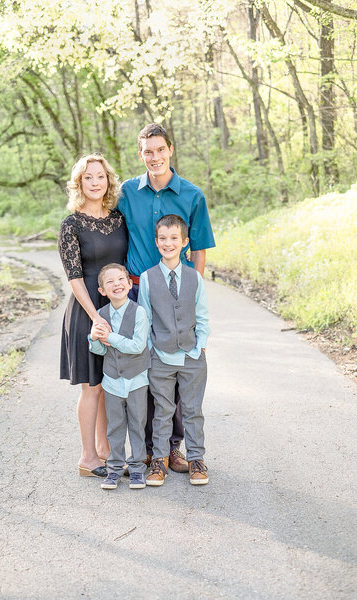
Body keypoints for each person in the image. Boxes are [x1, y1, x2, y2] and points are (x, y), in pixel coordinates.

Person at [118, 123, 215, 473]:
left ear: (170, 149)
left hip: (176, 295)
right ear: (140, 154)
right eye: (148, 151)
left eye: (160, 149)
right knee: (141, 372)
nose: (154, 157)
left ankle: (172, 448)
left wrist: (190, 294)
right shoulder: (127, 192)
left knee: (175, 370)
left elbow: (200, 249)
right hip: (135, 292)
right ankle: (146, 449)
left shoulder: (192, 195)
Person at [58, 154, 127, 478]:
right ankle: (88, 457)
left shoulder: (118, 219)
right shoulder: (71, 224)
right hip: (87, 313)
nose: (96, 182)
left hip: (116, 310)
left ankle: (106, 451)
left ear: (108, 181)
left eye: (100, 176)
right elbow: (74, 277)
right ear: (79, 183)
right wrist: (96, 317)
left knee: (108, 383)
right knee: (91, 387)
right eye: (89, 177)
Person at [138, 214, 210, 486]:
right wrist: (150, 353)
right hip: (161, 356)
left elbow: (202, 316)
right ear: (156, 242)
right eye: (163, 239)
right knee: (162, 411)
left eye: (174, 239)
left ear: (184, 242)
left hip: (192, 357)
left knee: (193, 410)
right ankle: (159, 461)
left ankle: (196, 459)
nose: (168, 243)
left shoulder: (194, 277)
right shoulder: (147, 278)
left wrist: (200, 347)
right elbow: (145, 319)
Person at [88, 263, 150, 490]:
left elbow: (137, 346)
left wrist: (110, 337)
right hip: (112, 381)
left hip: (136, 380)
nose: (117, 284)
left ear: (129, 282)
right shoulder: (101, 316)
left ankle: (137, 469)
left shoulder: (139, 312)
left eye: (120, 279)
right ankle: (114, 469)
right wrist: (94, 339)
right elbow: (102, 351)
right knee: (114, 427)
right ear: (102, 290)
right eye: (110, 282)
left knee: (137, 424)